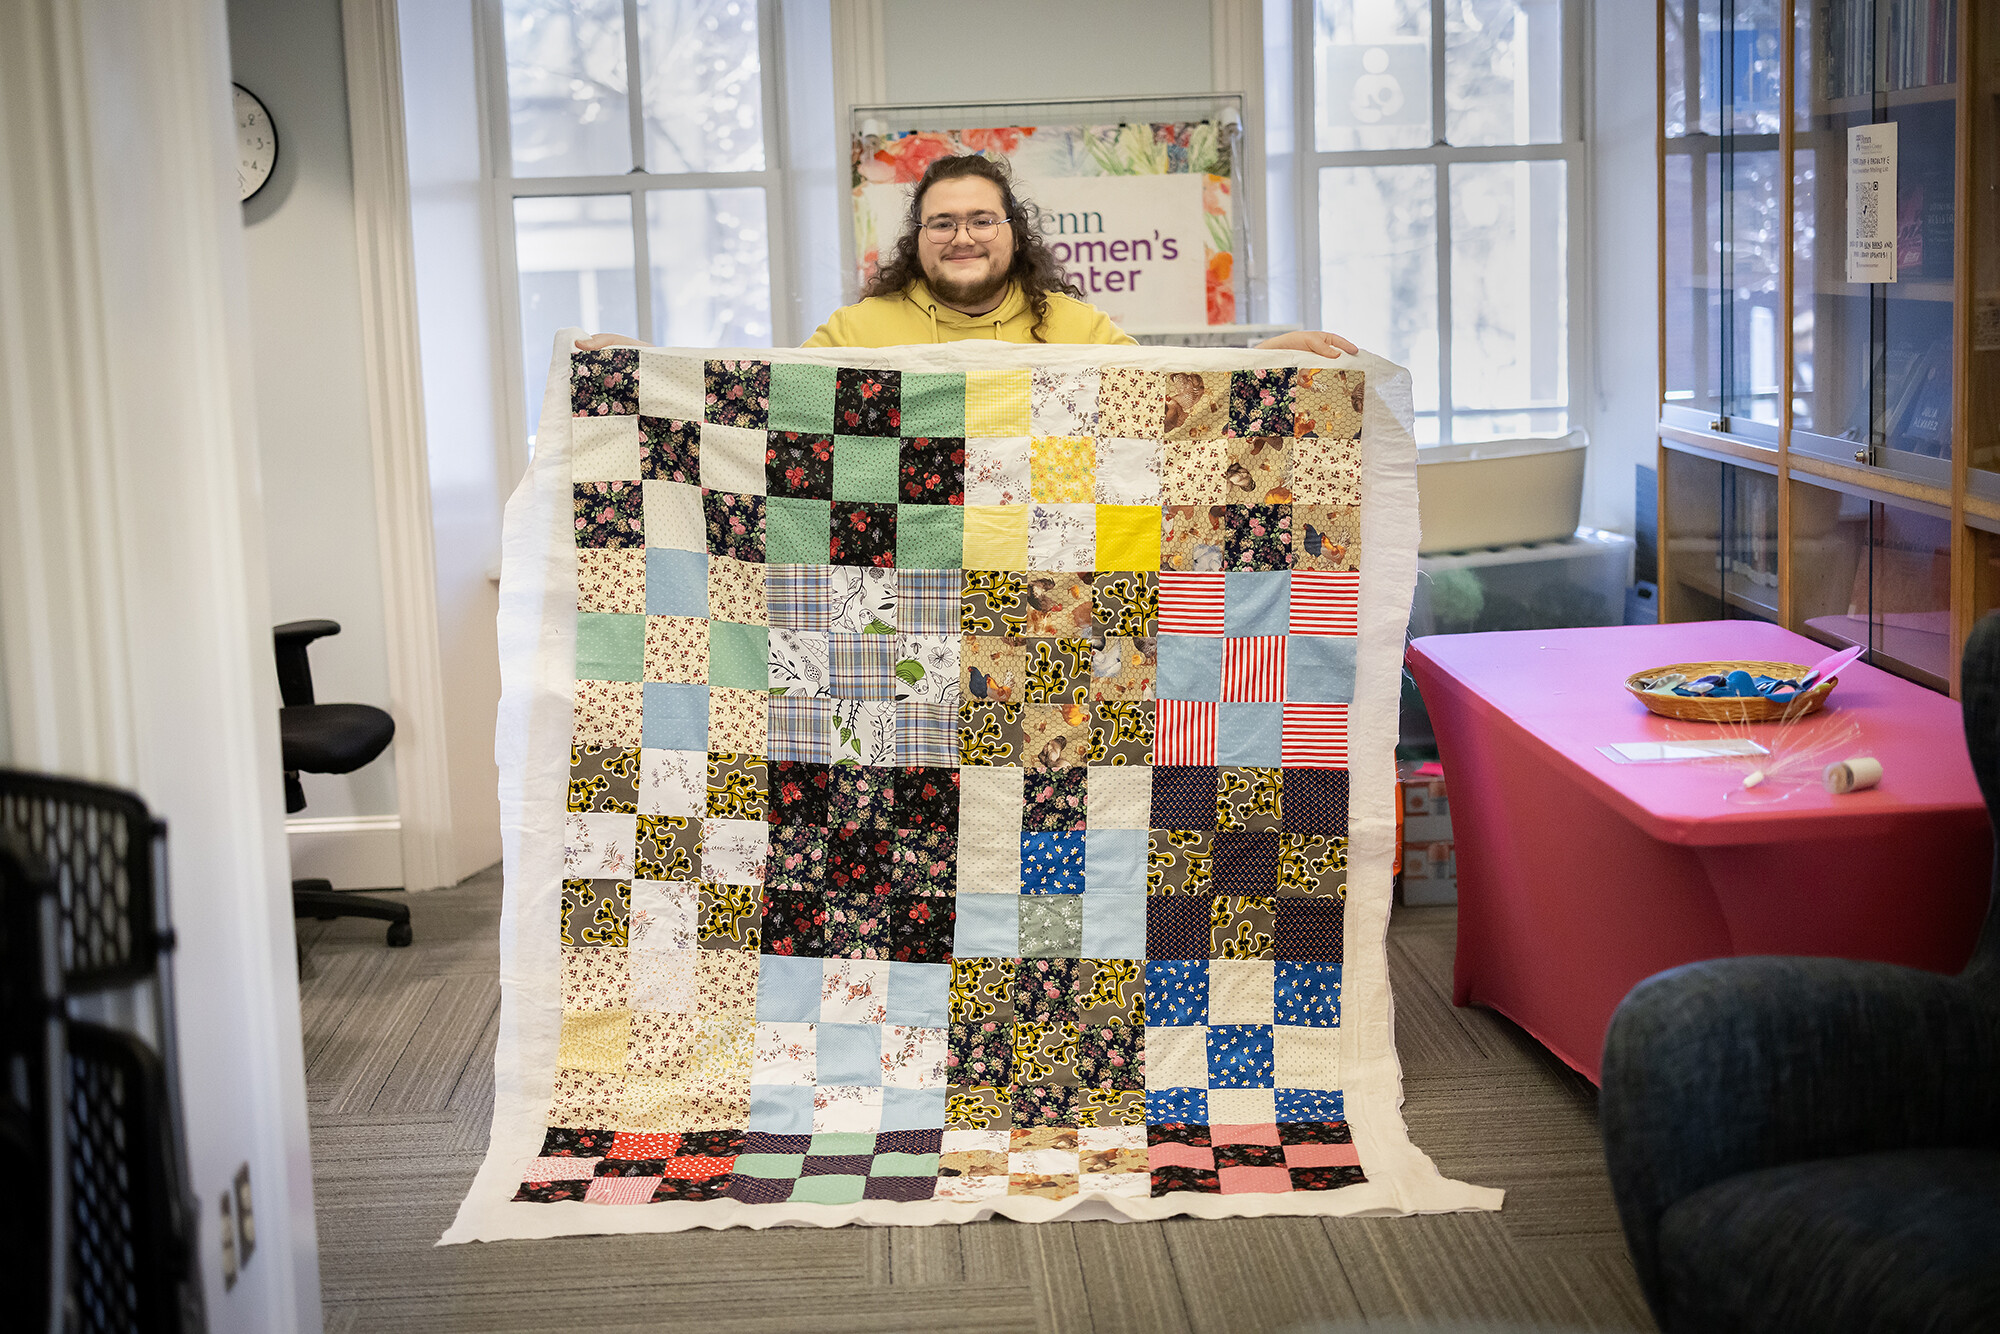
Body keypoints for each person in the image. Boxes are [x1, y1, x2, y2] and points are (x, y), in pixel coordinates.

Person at [575, 153, 1358, 356]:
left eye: (982, 219)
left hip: (1048, 587)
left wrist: (1271, 356)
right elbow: (765, 403)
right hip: (901, 591)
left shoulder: (1077, 329)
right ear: (917, 242)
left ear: (1014, 233)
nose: (963, 236)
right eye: (941, 223)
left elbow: (1172, 397)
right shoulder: (858, 331)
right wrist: (650, 368)